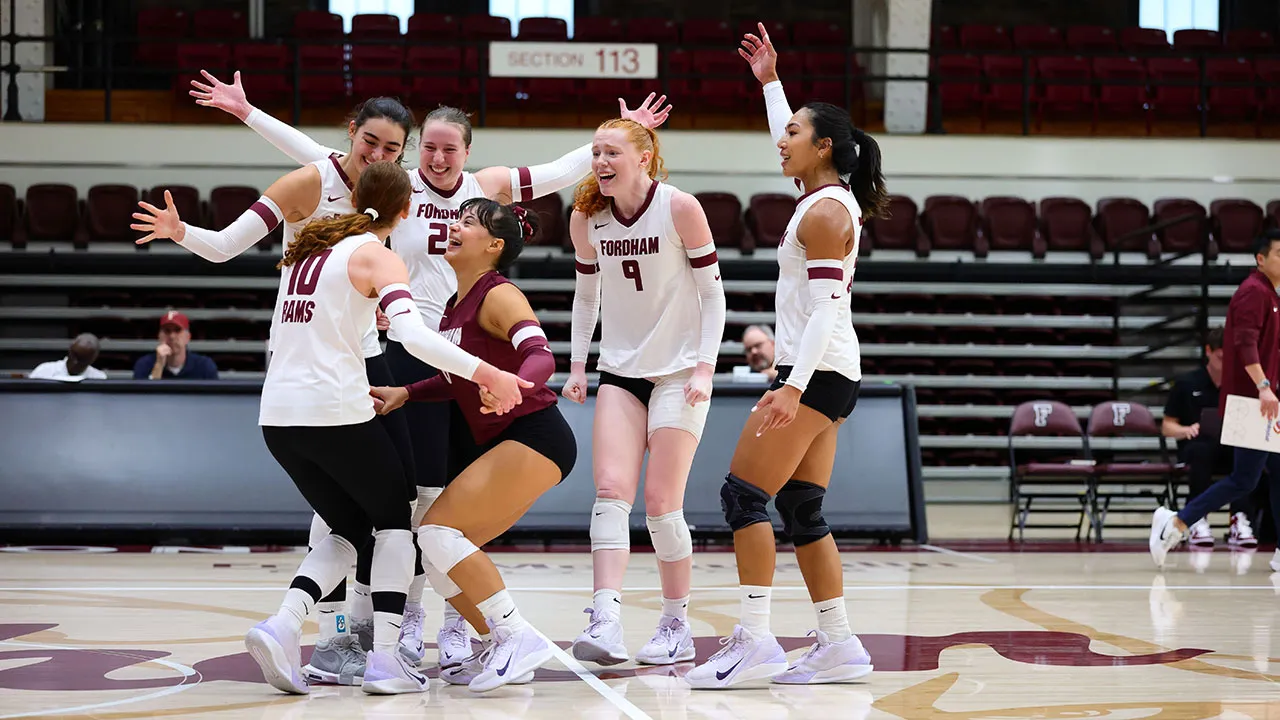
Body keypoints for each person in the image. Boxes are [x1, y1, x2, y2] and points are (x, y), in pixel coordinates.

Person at [190, 71, 671, 667]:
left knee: (437, 503)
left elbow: (557, 172)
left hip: (457, 363)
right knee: (398, 501)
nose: (438, 157)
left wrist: (619, 136)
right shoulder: (394, 185)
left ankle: (451, 629)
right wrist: (247, 112)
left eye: (450, 147)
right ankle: (391, 623)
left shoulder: (483, 192)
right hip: (401, 351)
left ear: (467, 152)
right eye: (429, 147)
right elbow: (319, 154)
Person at [141, 161, 531, 695]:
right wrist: (485, 370)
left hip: (277, 417)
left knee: (346, 527)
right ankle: (387, 659)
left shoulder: (309, 249)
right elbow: (413, 338)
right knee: (394, 522)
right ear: (406, 211)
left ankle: (282, 625)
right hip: (333, 410)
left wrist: (182, 232)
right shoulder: (378, 255)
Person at [131, 97, 421, 685]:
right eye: (371, 142)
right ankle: (340, 639)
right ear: (350, 133)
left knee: (363, 512)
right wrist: (181, 230)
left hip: (361, 360)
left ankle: (336, 631)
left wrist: (384, 313)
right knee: (364, 514)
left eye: (392, 148)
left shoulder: (389, 187)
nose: (379, 155)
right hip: (318, 370)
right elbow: (224, 245)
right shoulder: (309, 181)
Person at [683, 25, 889, 689]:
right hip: (832, 373)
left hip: (818, 371)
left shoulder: (825, 214)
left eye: (795, 132)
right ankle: (839, 644)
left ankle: (756, 640)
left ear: (823, 147)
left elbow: (827, 311)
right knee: (802, 510)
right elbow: (795, 134)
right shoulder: (826, 198)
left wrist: (792, 386)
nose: (783, 139)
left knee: (743, 497)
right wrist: (771, 83)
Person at [369, 198, 575, 693]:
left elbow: (541, 357)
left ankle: (514, 634)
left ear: (495, 245)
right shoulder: (452, 305)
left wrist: (514, 388)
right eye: (455, 218)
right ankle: (497, 640)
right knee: (438, 551)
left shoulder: (498, 294)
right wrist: (408, 393)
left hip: (535, 434)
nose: (454, 227)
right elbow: (453, 375)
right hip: (510, 440)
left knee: (437, 534)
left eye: (468, 222)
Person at [560, 115, 726, 667]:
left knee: (660, 504)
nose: (601, 163)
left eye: (612, 152)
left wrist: (705, 368)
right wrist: (578, 364)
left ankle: (675, 623)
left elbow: (713, 296)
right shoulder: (587, 218)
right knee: (609, 490)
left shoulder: (680, 207)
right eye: (596, 153)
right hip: (621, 370)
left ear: (643, 159)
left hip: (679, 372)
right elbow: (587, 298)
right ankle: (605, 620)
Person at [1151, 230, 1280, 571]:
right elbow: (1245, 344)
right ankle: (1176, 523)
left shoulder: (1269, 293)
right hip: (1252, 402)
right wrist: (1264, 386)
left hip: (1264, 402)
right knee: (1244, 479)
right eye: (1279, 254)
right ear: (1261, 259)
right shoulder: (1253, 292)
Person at [1161, 327, 1257, 548]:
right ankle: (1197, 519)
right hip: (1196, 448)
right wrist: (1185, 430)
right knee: (1201, 451)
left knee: (1246, 454)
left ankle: (1239, 519)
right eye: (1220, 358)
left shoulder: (1239, 384)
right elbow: (1167, 426)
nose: (1225, 364)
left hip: (1229, 446)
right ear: (1208, 351)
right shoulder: (1186, 383)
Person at [131, 312, 219, 380]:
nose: (172, 336)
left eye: (177, 331)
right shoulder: (144, 364)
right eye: (167, 331)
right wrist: (159, 365)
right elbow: (143, 400)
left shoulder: (204, 366)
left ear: (188, 337)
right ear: (159, 336)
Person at [30, 333, 107, 382]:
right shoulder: (43, 371)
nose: (75, 362)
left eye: (82, 360)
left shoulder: (99, 379)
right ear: (69, 350)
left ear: (92, 360)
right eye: (74, 355)